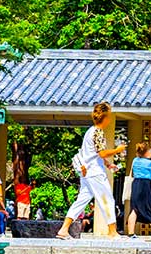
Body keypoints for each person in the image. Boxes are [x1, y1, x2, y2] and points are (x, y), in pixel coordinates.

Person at [57, 102, 126, 239]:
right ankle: (112, 231)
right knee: (107, 200)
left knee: (82, 200)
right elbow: (101, 153)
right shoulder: (98, 132)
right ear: (105, 117)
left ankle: (64, 229)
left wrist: (108, 165)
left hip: (87, 172)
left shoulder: (90, 131)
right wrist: (117, 150)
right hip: (95, 173)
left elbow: (91, 154)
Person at [127, 142, 151, 237]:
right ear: (146, 153)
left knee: (134, 209)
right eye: (150, 150)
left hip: (135, 184)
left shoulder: (135, 160)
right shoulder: (149, 163)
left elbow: (132, 172)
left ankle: (131, 233)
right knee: (148, 207)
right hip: (145, 185)